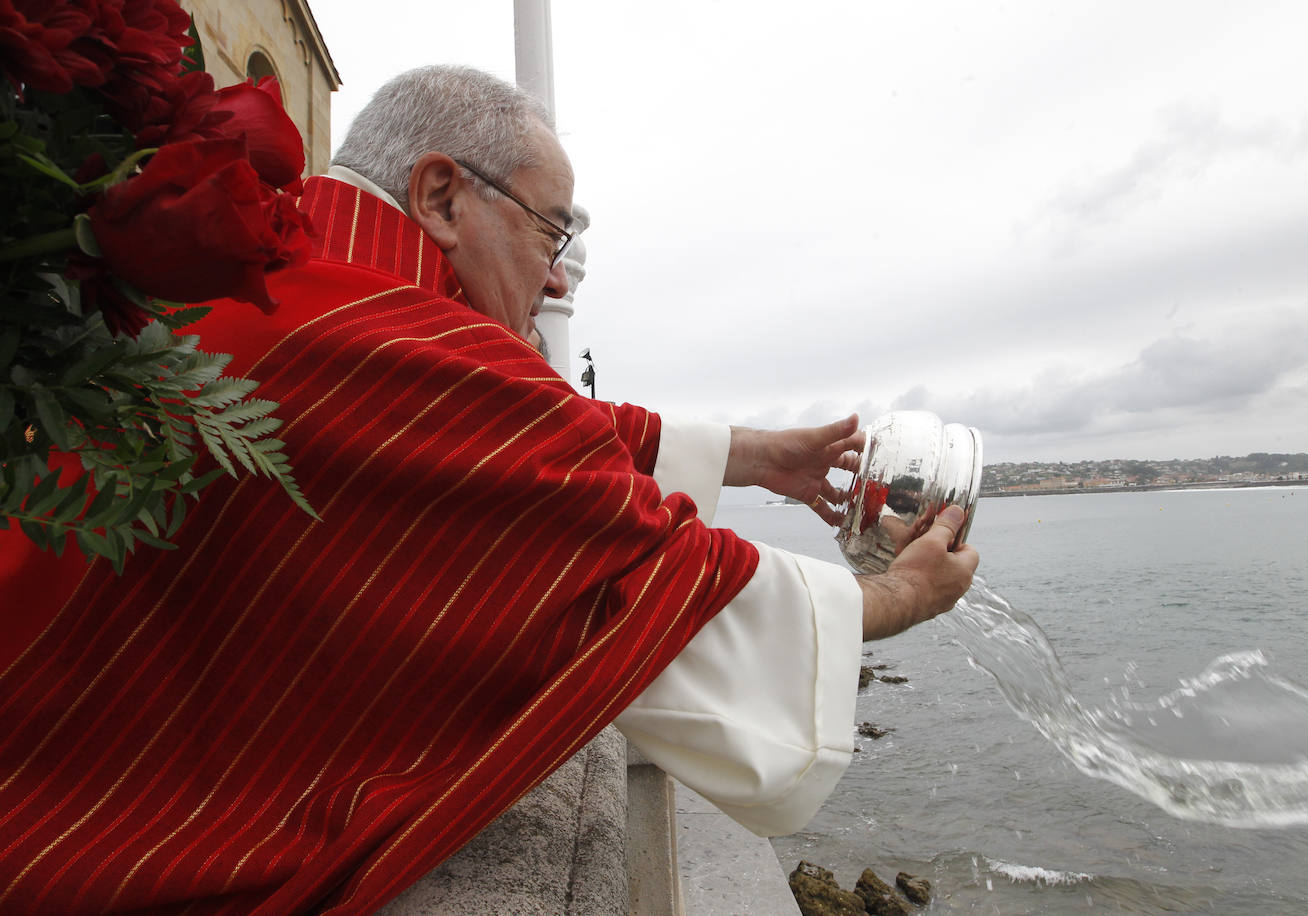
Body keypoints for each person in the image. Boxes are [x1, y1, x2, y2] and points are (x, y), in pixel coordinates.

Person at [0, 65, 977, 914]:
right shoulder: (415, 345)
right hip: (73, 843)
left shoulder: (278, 256)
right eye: (551, 233)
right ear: (440, 195)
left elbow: (533, 442)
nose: (556, 282)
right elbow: (642, 568)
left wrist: (752, 456)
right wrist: (898, 595)